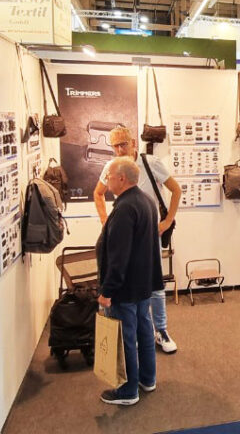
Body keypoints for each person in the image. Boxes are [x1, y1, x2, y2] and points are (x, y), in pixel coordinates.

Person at [93, 126, 181, 354]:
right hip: (125, 232)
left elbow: (176, 190)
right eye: (115, 146)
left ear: (133, 143)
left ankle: (161, 330)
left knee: (155, 284)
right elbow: (98, 193)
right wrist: (105, 222)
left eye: (123, 144)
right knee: (127, 280)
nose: (119, 150)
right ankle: (139, 332)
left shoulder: (151, 163)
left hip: (149, 234)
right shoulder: (111, 167)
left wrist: (168, 221)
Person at [96, 158, 165, 406]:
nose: (107, 180)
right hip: (143, 284)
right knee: (144, 331)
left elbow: (118, 256)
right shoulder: (146, 201)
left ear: (122, 178)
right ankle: (147, 379)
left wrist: (107, 290)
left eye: (110, 176)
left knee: (126, 337)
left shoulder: (125, 208)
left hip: (125, 287)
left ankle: (128, 391)